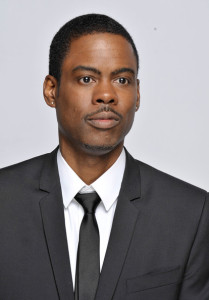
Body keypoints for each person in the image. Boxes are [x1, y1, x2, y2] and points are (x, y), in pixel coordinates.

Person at [0, 13, 209, 300]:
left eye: (122, 80)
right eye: (87, 78)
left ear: (137, 94)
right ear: (52, 90)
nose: (107, 95)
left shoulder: (192, 213)